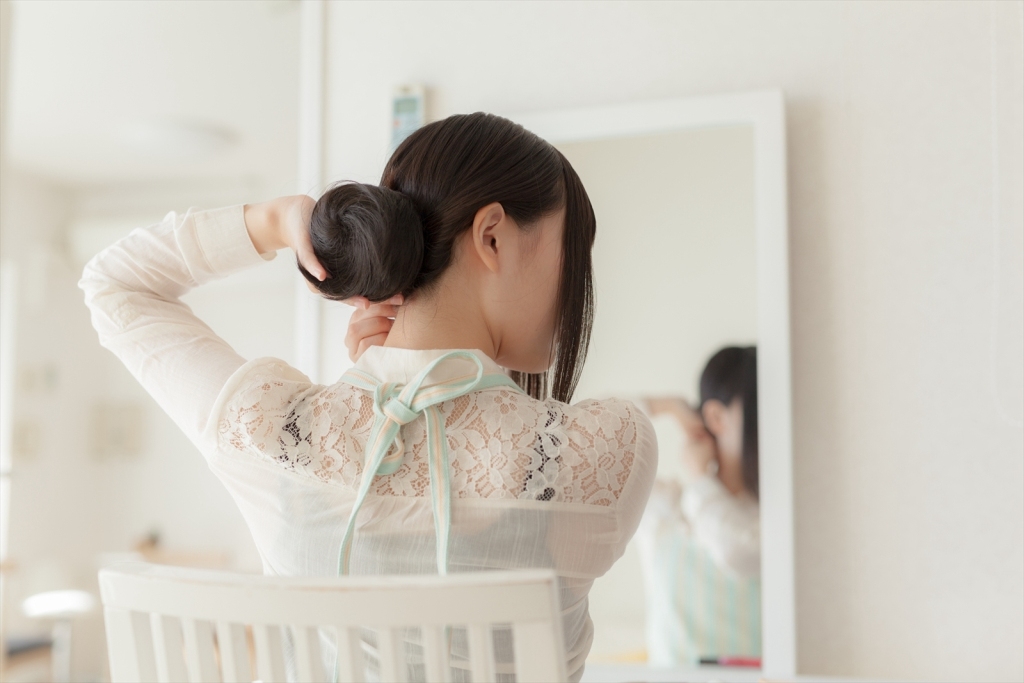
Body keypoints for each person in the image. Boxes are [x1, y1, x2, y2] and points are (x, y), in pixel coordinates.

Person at [80, 112, 657, 681]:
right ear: (492, 236)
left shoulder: (267, 430)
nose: (577, 277)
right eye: (571, 249)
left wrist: (274, 223)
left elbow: (115, 286)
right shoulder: (603, 450)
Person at [639, 346, 761, 666]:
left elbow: (735, 550)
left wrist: (699, 478)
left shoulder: (770, 517)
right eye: (758, 407)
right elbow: (582, 440)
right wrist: (667, 405)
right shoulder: (665, 507)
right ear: (716, 417)